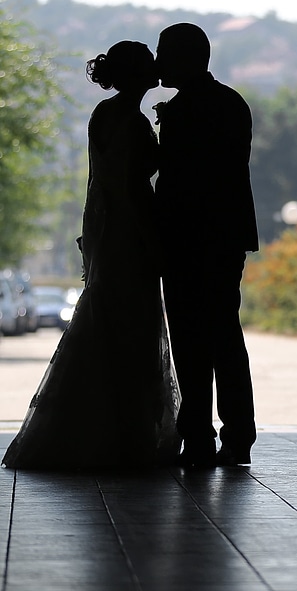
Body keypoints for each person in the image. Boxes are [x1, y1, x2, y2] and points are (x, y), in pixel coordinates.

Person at [2, 41, 180, 469]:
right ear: (139, 72)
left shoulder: (103, 115)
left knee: (107, 325)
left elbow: (105, 183)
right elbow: (132, 189)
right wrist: (151, 241)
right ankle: (129, 435)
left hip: (106, 233)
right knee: (132, 329)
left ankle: (96, 430)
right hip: (129, 236)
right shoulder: (132, 122)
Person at [153, 23, 259, 468]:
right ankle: (236, 436)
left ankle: (198, 436)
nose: (158, 64)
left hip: (186, 240)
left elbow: (176, 184)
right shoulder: (231, 103)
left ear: (185, 58)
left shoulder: (184, 112)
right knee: (223, 336)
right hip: (225, 238)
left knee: (192, 340)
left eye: (164, 54)